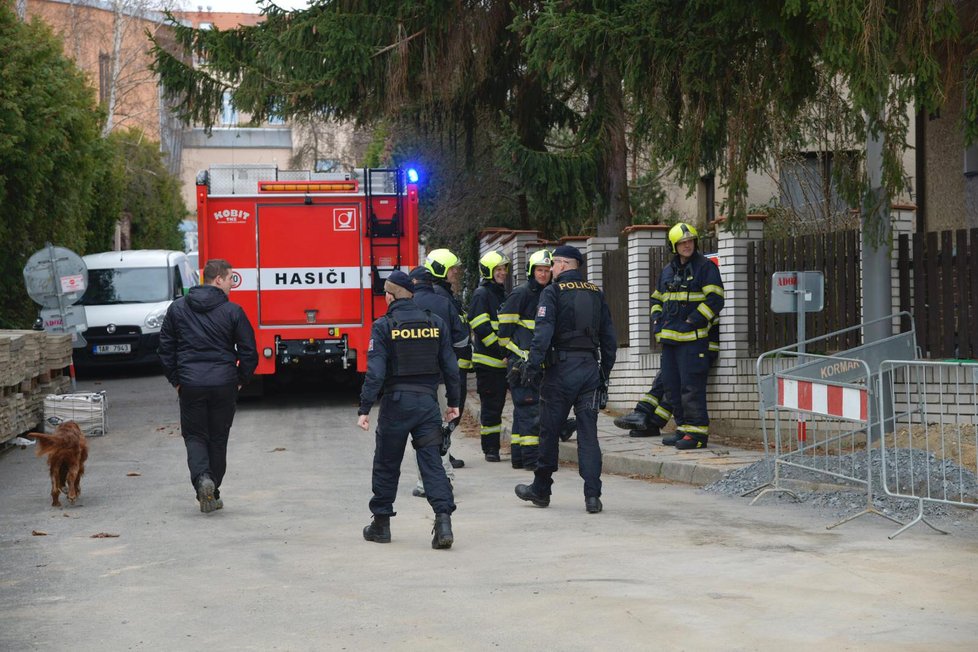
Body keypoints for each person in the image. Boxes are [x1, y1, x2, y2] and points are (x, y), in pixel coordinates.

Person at [357, 270, 461, 549]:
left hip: (396, 404)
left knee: (387, 463)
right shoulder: (434, 322)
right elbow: (451, 367)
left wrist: (365, 407)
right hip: (427, 404)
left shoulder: (383, 325)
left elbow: (376, 372)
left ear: (389, 296)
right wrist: (453, 403)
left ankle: (381, 524)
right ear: (411, 295)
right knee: (432, 463)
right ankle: (443, 522)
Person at [514, 245, 617, 514]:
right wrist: (604, 375)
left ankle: (541, 489)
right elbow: (609, 339)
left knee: (549, 431)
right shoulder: (596, 293)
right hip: (589, 372)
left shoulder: (553, 291)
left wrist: (532, 367)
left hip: (560, 373)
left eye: (554, 263)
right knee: (588, 435)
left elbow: (543, 333)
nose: (551, 269)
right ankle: (593, 496)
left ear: (563, 264)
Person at [158, 258, 257, 514]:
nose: (232, 285)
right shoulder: (233, 311)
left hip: (191, 383)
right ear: (218, 279)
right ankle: (214, 489)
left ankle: (203, 480)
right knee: (218, 438)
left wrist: (177, 380)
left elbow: (166, 348)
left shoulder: (177, 309)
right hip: (224, 383)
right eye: (230, 279)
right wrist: (240, 380)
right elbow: (248, 351)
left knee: (194, 436)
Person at [498, 249, 577, 470]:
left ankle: (519, 457)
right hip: (523, 364)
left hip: (540, 363)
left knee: (523, 412)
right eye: (539, 270)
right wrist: (518, 354)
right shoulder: (521, 294)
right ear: (531, 271)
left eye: (546, 270)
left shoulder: (552, 293)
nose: (543, 274)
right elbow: (503, 333)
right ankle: (532, 461)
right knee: (530, 411)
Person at [649, 223, 724, 449]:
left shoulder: (706, 267)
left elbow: (716, 299)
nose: (687, 245)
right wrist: (657, 322)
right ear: (674, 246)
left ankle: (697, 435)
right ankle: (683, 429)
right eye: (682, 242)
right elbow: (656, 300)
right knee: (672, 387)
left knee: (692, 387)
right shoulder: (667, 271)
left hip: (693, 340)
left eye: (690, 241)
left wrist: (694, 320)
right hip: (670, 341)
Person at [407, 255, 470, 497]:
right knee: (442, 427)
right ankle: (446, 477)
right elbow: (463, 339)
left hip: (415, 381)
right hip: (443, 377)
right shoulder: (445, 302)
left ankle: (426, 482)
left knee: (421, 431)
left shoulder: (405, 306)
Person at [612, 319, 719, 441]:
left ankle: (646, 415)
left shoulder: (701, 304)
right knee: (670, 385)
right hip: (692, 349)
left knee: (670, 383)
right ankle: (650, 420)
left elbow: (696, 326)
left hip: (700, 351)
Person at [467, 249, 510, 462]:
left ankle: (494, 446)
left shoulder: (501, 293)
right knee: (492, 408)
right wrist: (502, 351)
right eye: (498, 269)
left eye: (504, 269)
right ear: (488, 271)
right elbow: (481, 327)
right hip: (489, 362)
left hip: (503, 361)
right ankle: (490, 449)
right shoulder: (482, 294)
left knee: (500, 405)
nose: (502, 273)